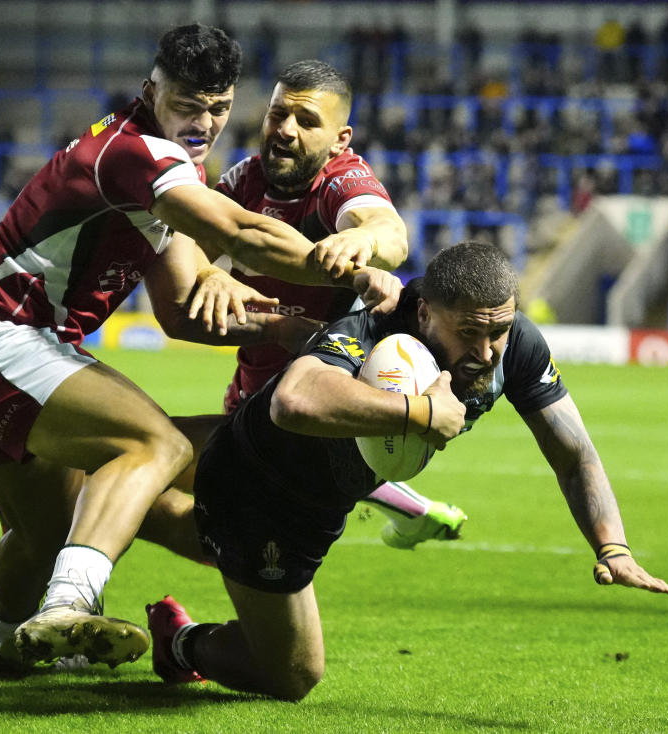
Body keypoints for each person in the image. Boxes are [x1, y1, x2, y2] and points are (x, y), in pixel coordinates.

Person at [0, 23, 395, 675]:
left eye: (219, 107)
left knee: (39, 531)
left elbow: (180, 308)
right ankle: (69, 603)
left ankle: (0, 647)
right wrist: (346, 269)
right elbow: (241, 230)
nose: (204, 121)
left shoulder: (170, 164)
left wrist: (281, 329)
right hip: (5, 340)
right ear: (153, 90)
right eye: (188, 104)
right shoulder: (139, 154)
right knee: (161, 445)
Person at [146, 240, 668, 701]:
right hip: (261, 487)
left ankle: (106, 506)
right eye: (469, 332)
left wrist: (613, 548)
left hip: (322, 504)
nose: (486, 352)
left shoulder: (512, 345)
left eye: (499, 331)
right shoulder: (374, 324)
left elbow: (574, 454)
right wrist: (421, 412)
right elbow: (293, 400)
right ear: (424, 315)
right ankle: (179, 643)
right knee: (292, 676)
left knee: (198, 537)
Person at [143, 60, 467, 562]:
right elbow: (184, 266)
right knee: (221, 523)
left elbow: (388, 230)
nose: (285, 131)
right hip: (254, 395)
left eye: (307, 121)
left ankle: (94, 581)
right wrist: (208, 273)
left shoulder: (340, 180)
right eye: (277, 115)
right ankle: (410, 509)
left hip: (312, 408)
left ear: (342, 138)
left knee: (156, 473)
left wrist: (363, 238)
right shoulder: (243, 179)